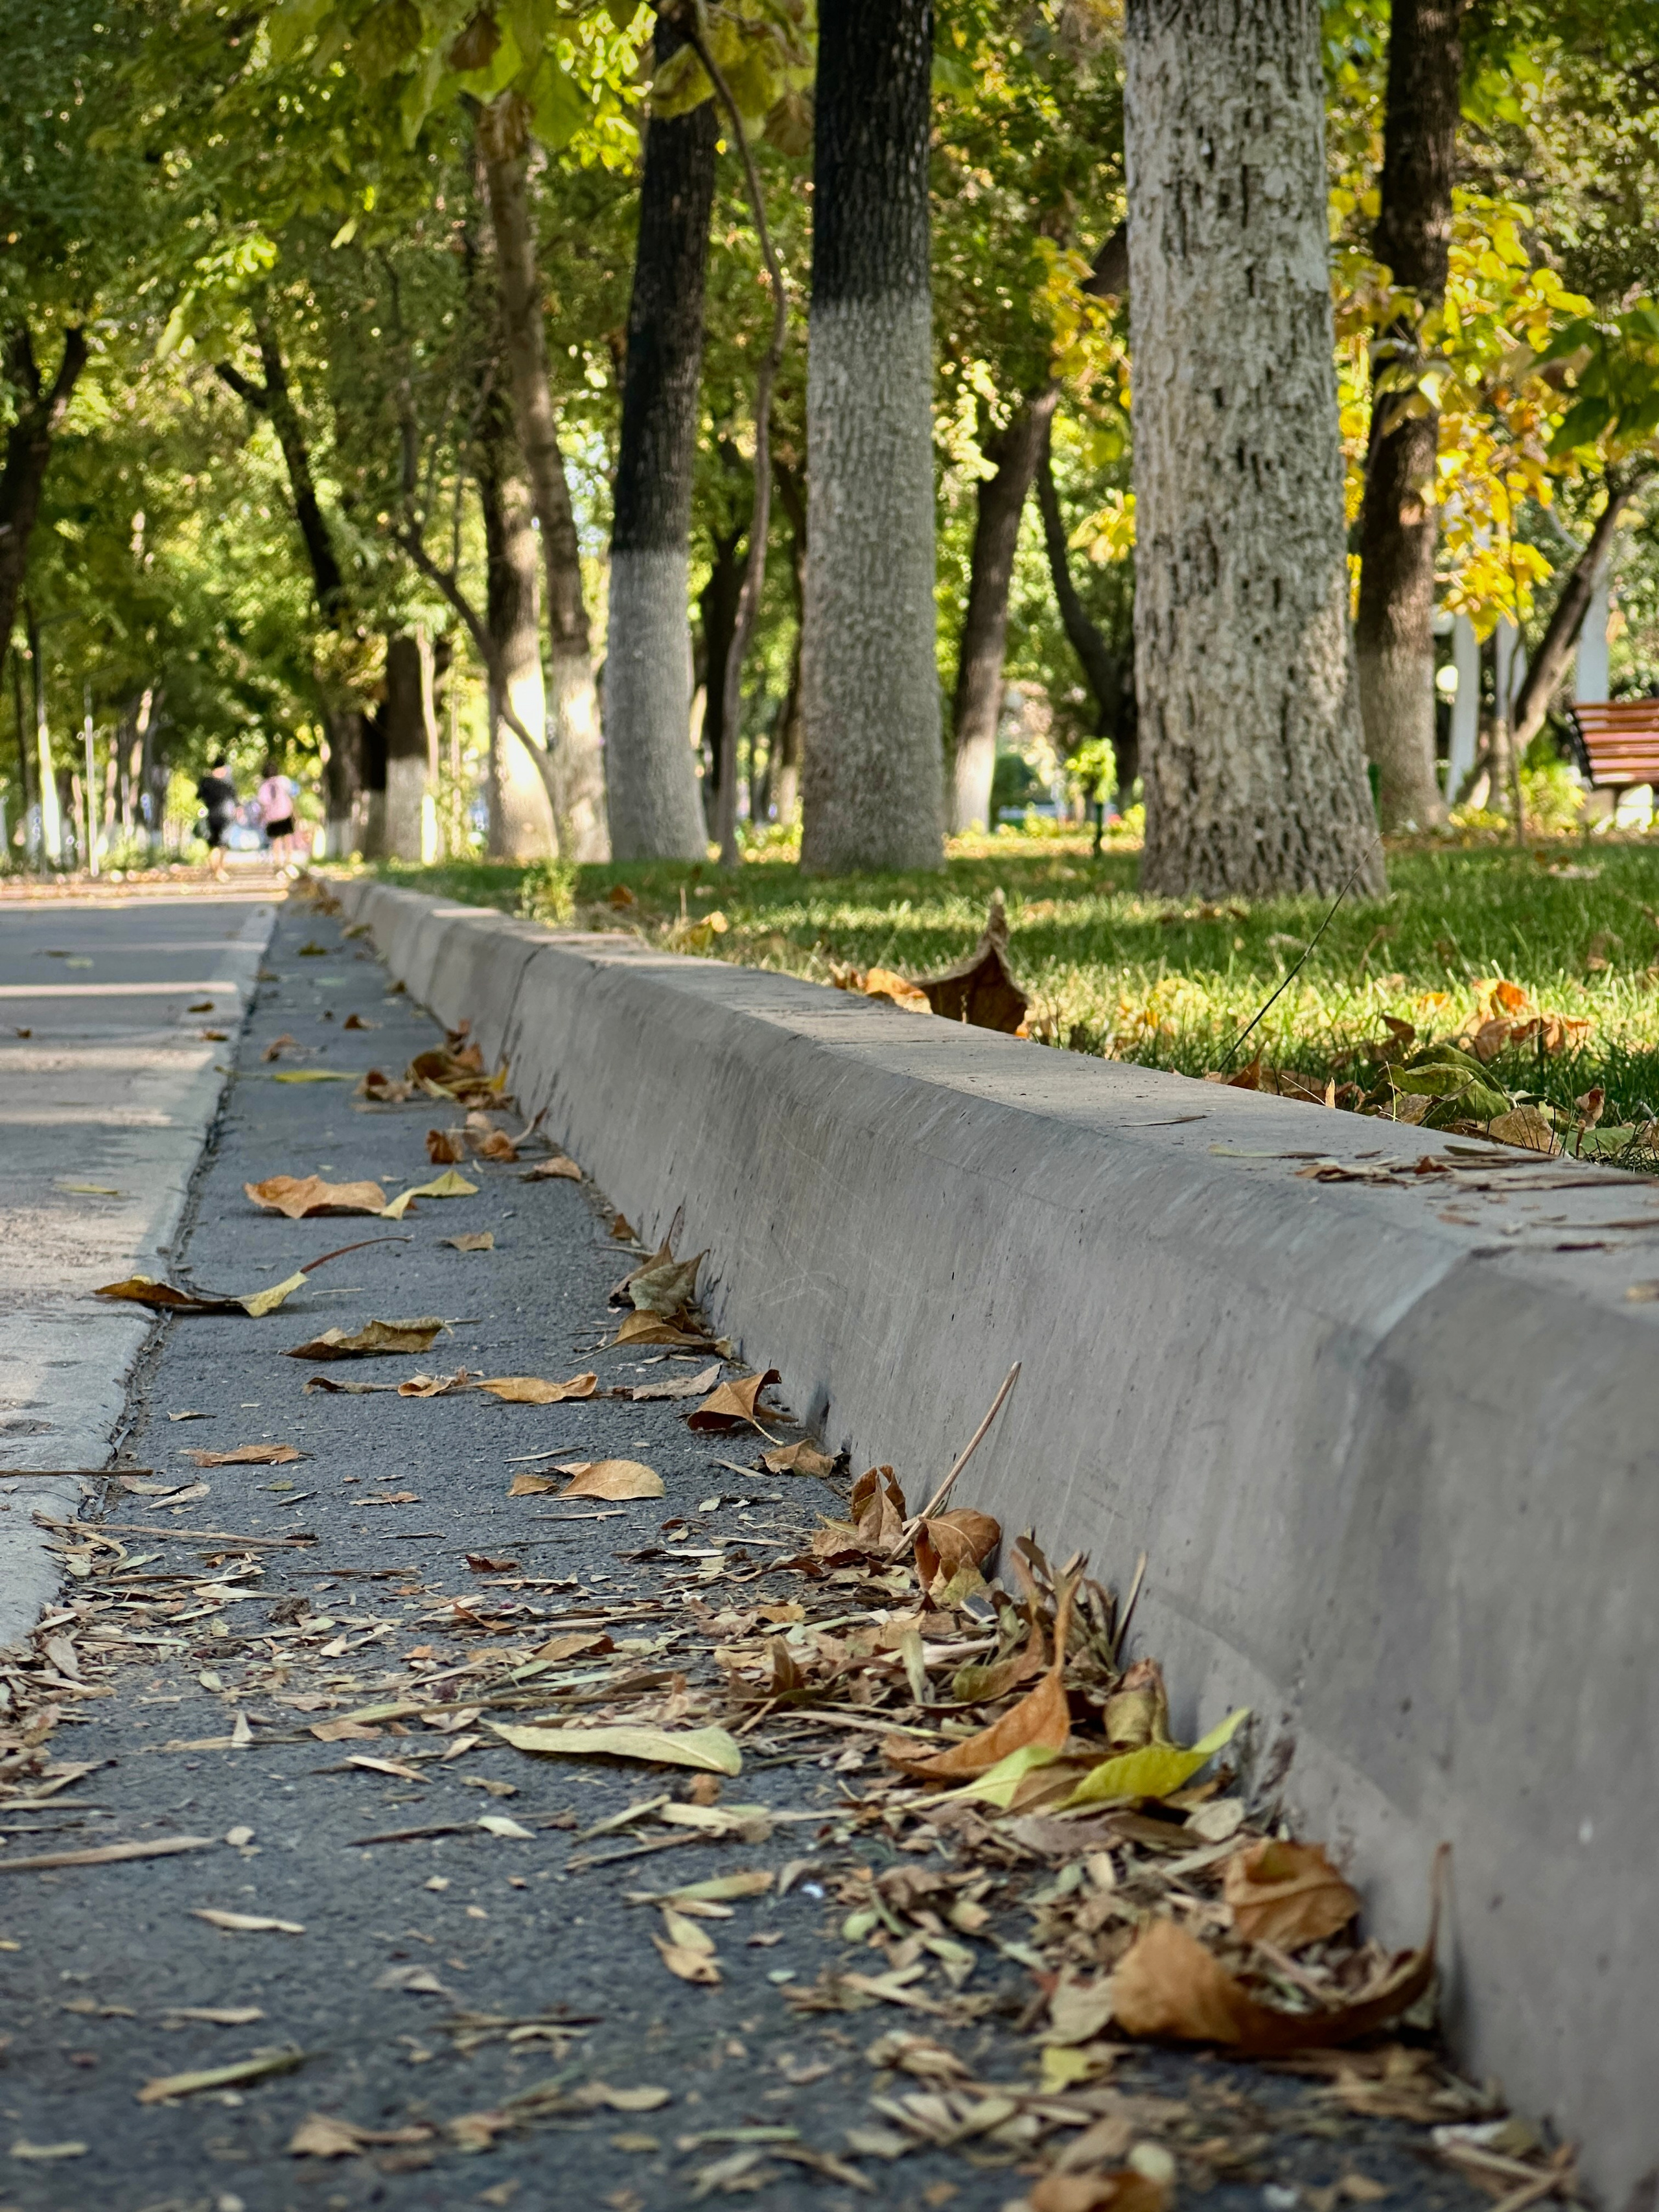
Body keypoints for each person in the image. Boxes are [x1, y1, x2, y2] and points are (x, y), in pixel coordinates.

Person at [195, 758, 237, 881]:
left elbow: (198, 796)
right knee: (222, 845)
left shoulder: (206, 781)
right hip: (225, 816)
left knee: (213, 845)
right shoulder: (227, 782)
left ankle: (216, 871)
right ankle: (219, 870)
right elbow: (235, 798)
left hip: (210, 815)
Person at [257, 760, 297, 871]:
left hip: (272, 817)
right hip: (285, 814)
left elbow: (263, 804)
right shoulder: (284, 781)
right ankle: (288, 862)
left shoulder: (263, 786)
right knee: (288, 838)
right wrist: (295, 813)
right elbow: (291, 797)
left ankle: (278, 863)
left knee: (276, 840)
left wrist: (261, 816)